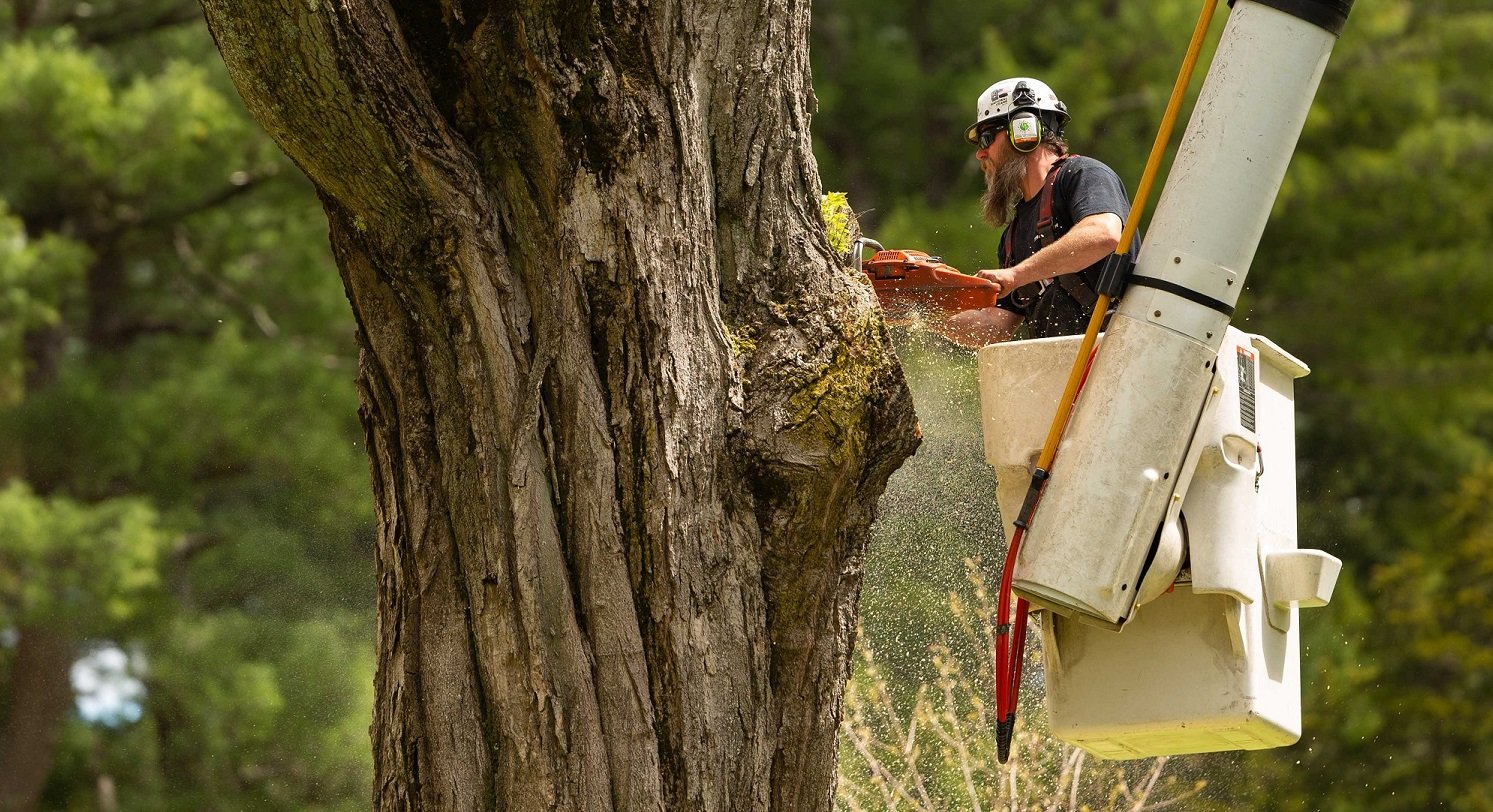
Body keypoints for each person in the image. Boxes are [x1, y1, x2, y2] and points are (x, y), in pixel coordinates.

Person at [943, 77, 1133, 346]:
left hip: (1121, 353)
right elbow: (994, 327)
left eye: (987, 138)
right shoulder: (1012, 237)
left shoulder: (1082, 175)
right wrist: (922, 312)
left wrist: (1016, 275)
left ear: (1024, 130)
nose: (980, 154)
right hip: (1065, 367)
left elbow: (1103, 234)